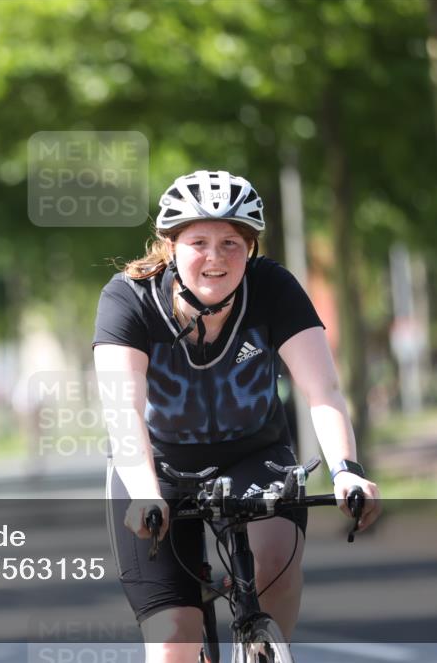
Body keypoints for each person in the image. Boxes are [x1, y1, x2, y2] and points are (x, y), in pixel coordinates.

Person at [93, 170, 381, 661]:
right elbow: (124, 412)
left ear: (251, 248)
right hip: (157, 465)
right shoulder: (128, 299)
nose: (215, 257)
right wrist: (145, 495)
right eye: (198, 241)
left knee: (275, 563)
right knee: (173, 639)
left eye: (231, 242)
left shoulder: (274, 288)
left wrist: (347, 471)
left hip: (255, 453)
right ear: (170, 245)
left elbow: (324, 391)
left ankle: (268, 648)